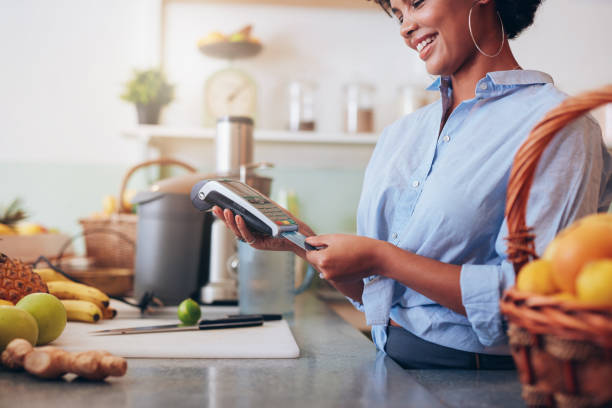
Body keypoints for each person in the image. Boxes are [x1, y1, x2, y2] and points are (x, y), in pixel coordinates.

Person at [213, 0, 612, 369]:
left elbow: (532, 299)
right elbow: (378, 292)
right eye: (397, 13)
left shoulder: (558, 126)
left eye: (417, 2)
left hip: (482, 379)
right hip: (389, 363)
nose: (406, 27)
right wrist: (298, 242)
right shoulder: (401, 134)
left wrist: (382, 258)